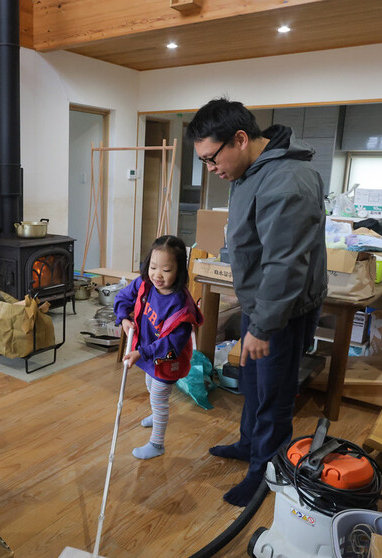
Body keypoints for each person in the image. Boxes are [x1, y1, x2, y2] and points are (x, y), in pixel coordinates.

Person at [186, 97, 327, 506]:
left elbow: (285, 263)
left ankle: (265, 474)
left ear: (241, 139)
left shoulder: (287, 180)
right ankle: (250, 447)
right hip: (261, 304)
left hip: (281, 311)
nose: (212, 169)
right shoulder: (252, 172)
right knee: (253, 384)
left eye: (212, 158)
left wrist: (263, 326)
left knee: (273, 397)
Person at [113, 235, 203, 460]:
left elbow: (172, 342)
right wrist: (124, 318)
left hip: (167, 359)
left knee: (159, 399)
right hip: (148, 354)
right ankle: (156, 413)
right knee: (149, 384)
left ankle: (157, 444)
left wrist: (141, 352)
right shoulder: (146, 283)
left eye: (166, 270)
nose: (157, 275)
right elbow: (123, 297)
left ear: (179, 271)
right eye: (153, 267)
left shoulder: (181, 306)